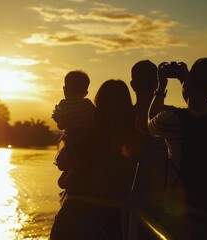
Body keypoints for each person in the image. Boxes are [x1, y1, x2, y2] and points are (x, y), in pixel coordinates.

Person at [148, 58, 207, 239]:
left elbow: (150, 121)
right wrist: (186, 82)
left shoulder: (172, 121)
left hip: (184, 212)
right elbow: (200, 109)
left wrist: (161, 87)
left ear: (190, 84)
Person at [50, 79, 142, 240]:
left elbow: (63, 167)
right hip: (110, 220)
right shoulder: (135, 139)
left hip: (74, 215)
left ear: (98, 102)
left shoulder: (85, 133)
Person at [129, 60, 177, 239]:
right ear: (157, 83)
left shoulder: (123, 116)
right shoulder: (172, 117)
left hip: (131, 193)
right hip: (165, 198)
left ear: (132, 85)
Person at [52, 70, 95, 189]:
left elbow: (61, 125)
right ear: (86, 92)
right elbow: (94, 118)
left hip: (70, 140)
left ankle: (70, 172)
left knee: (68, 157)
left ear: (65, 90)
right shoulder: (88, 104)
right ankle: (73, 172)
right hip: (86, 141)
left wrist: (57, 118)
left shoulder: (63, 104)